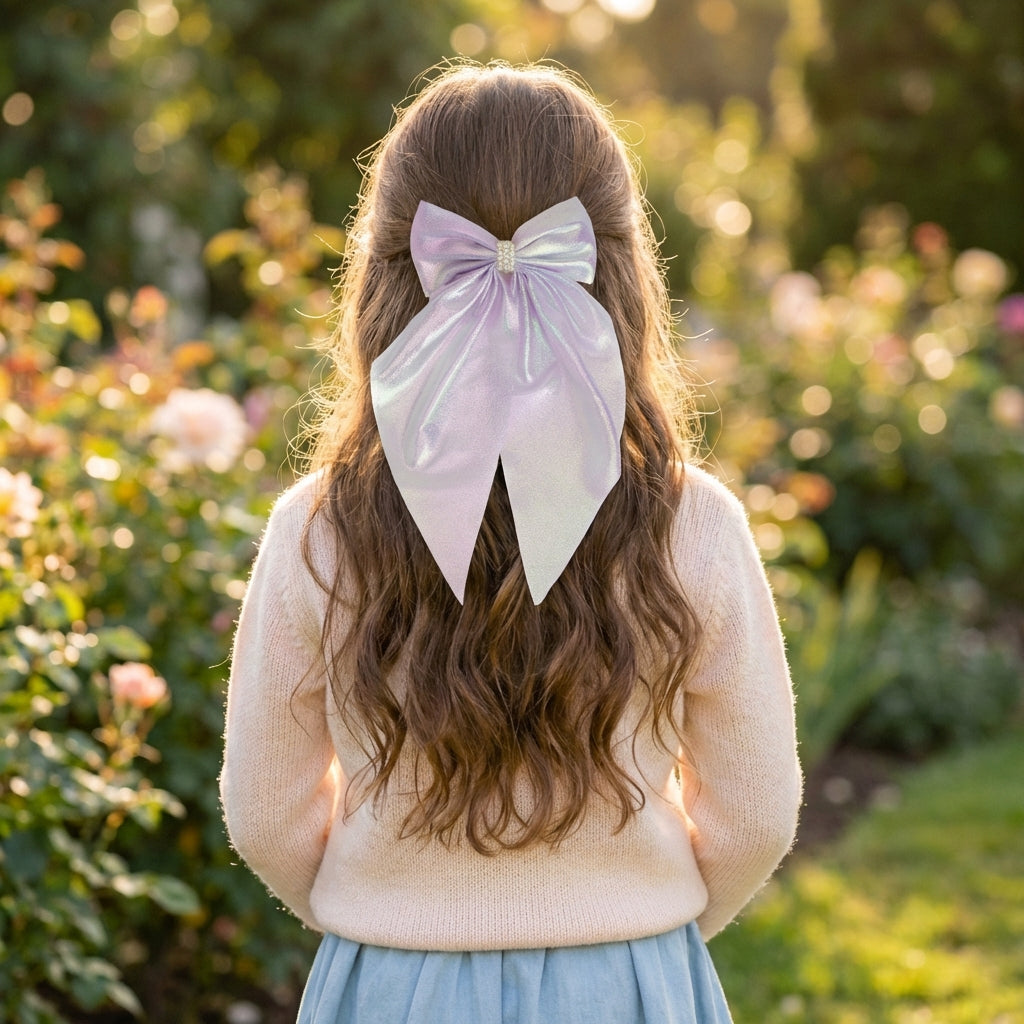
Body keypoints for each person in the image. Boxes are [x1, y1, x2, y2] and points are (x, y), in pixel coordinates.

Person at [220, 61, 802, 1024]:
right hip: (627, 981)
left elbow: (264, 811)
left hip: (393, 982)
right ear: (621, 270)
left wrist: (386, 904)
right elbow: (756, 814)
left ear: (385, 269)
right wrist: (639, 918)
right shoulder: (693, 523)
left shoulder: (318, 532)